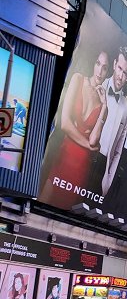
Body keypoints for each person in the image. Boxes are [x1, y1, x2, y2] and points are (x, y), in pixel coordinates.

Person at [38, 51, 109, 208]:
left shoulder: (104, 105)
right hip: (63, 154)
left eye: (104, 68)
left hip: (81, 165)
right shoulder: (77, 79)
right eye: (98, 64)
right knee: (42, 203)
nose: (99, 71)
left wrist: (104, 106)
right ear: (93, 63)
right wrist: (90, 147)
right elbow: (64, 123)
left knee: (63, 211)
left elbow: (94, 140)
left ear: (107, 72)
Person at [97, 46, 127, 197]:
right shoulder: (99, 86)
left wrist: (108, 183)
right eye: (119, 69)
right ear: (114, 64)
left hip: (102, 170)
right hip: (86, 155)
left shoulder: (126, 110)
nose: (120, 76)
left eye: (124, 73)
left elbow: (118, 152)